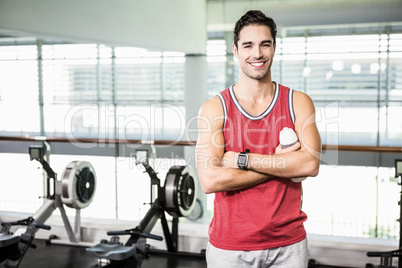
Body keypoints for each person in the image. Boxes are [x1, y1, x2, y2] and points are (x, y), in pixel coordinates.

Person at [195, 10, 322, 268]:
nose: (257, 53)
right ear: (235, 50)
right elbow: (210, 180)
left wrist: (243, 160)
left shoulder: (297, 102)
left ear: (274, 47)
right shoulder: (215, 108)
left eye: (265, 44)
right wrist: (282, 163)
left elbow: (310, 165)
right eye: (248, 45)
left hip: (288, 246)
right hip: (230, 248)